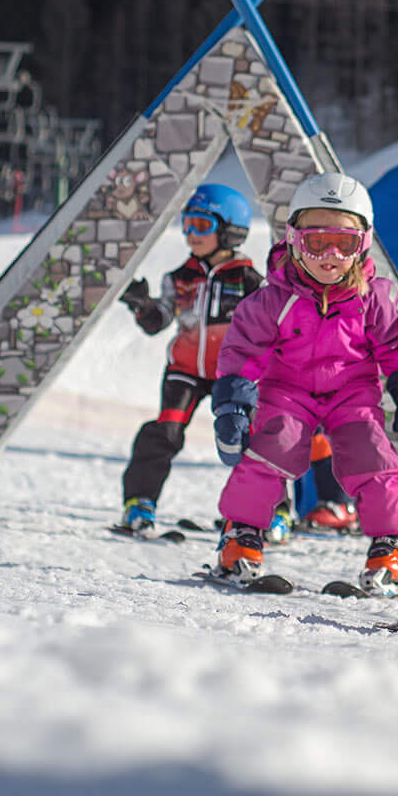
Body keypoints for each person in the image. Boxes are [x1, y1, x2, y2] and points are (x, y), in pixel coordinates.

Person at [208, 172, 398, 591]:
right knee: (271, 449)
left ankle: (392, 546)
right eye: (316, 242)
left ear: (362, 244)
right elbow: (243, 352)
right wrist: (232, 406)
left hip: (353, 396)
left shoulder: (375, 296)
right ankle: (240, 538)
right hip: (287, 393)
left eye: (343, 244)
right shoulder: (272, 298)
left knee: (374, 456)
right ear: (294, 239)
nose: (329, 255)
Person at [114, 183, 264, 534]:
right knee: (164, 432)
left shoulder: (249, 282)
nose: (190, 235)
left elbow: (269, 325)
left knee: (248, 436)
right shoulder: (179, 278)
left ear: (230, 231)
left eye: (201, 226)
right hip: (184, 372)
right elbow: (158, 322)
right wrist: (143, 305)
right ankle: (139, 502)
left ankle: (268, 510)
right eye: (187, 224)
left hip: (234, 374)